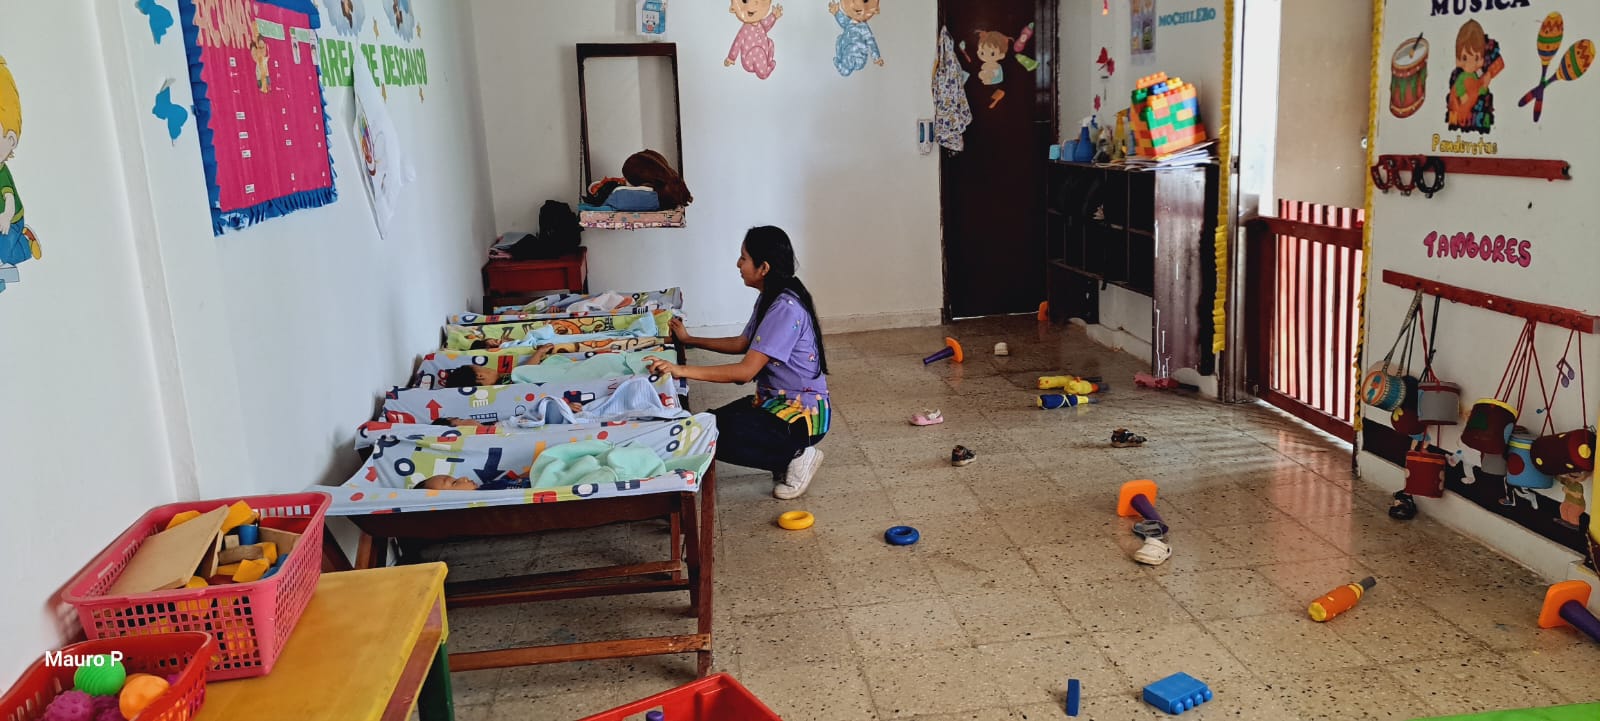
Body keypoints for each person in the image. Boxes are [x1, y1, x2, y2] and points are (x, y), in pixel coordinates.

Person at [644, 226, 830, 499]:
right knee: (706, 424)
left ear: (763, 267)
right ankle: (785, 455)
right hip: (773, 403)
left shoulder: (785, 308)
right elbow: (742, 343)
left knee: (711, 435)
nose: (738, 264)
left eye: (743, 258)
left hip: (802, 417)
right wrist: (689, 339)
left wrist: (680, 370)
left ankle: (797, 456)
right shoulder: (771, 296)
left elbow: (745, 372)